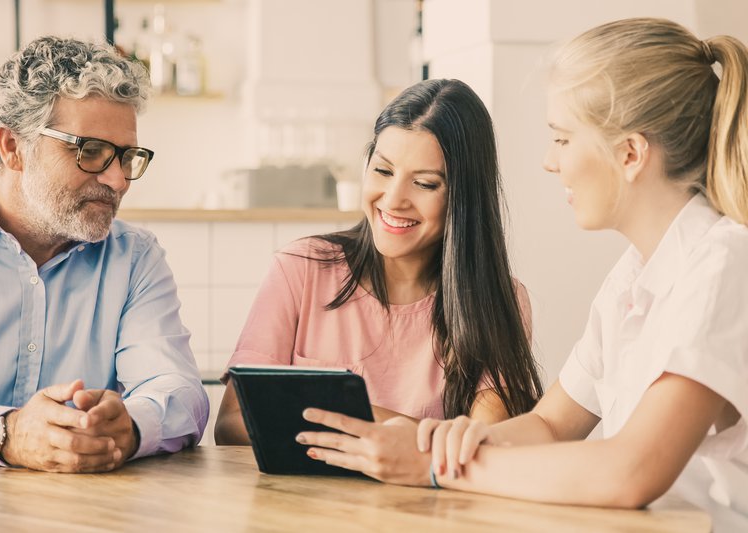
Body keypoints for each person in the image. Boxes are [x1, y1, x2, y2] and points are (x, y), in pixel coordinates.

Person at [296, 17, 748, 521]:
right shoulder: (634, 275)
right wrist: (454, 441)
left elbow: (630, 472)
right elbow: (551, 426)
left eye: (562, 139)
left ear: (630, 153)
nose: (549, 162)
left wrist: (434, 467)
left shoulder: (724, 267)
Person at [214, 79, 543, 444]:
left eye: (425, 183)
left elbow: (485, 442)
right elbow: (233, 422)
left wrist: (330, 412)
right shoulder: (300, 268)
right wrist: (402, 431)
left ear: (464, 197)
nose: (393, 199)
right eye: (383, 171)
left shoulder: (499, 300)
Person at [0, 36, 209, 472]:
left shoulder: (134, 258)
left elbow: (180, 392)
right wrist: (4, 434)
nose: (119, 181)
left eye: (127, 157)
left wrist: (131, 427)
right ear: (13, 147)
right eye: (90, 152)